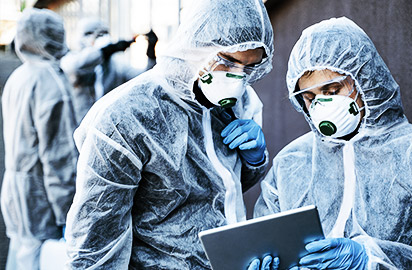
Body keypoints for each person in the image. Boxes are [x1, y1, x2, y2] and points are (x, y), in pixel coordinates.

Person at [249, 17, 412, 269]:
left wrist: (370, 260)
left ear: (364, 79)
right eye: (309, 97)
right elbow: (269, 242)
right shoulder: (290, 164)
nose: (320, 106)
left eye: (331, 90)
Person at [64, 0, 273, 268]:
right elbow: (95, 246)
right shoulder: (127, 117)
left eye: (248, 69)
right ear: (197, 44)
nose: (237, 79)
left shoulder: (242, 103)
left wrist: (254, 160)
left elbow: (226, 187)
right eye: (229, 62)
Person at [1, 8, 78, 270]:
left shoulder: (19, 77)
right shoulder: (50, 82)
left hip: (14, 189)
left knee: (20, 255)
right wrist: (69, 210)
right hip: (40, 197)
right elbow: (59, 157)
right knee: (38, 259)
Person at [60, 18, 158, 122]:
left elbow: (143, 78)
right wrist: (105, 51)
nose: (101, 38)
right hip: (78, 123)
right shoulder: (73, 59)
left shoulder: (116, 65)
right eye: (95, 34)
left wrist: (151, 54)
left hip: (105, 124)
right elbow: (73, 67)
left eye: (103, 33)